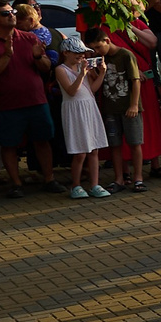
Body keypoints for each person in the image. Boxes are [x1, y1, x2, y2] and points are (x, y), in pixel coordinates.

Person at [0, 1, 57, 196]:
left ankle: (49, 179)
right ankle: (16, 184)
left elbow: (46, 68)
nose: (11, 15)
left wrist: (38, 57)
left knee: (43, 140)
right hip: (7, 104)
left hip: (36, 100)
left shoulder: (29, 38)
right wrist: (6, 55)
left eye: (12, 12)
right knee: (9, 144)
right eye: (5, 13)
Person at [54, 34, 110, 199]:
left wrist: (101, 74)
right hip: (74, 111)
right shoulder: (60, 70)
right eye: (77, 53)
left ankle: (95, 184)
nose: (81, 56)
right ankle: (76, 185)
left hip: (89, 107)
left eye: (83, 53)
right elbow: (71, 91)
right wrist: (81, 74)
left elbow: (91, 89)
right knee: (80, 152)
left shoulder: (82, 67)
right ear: (66, 52)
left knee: (94, 149)